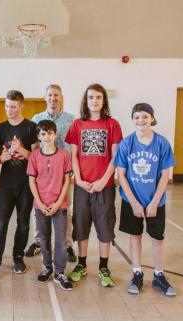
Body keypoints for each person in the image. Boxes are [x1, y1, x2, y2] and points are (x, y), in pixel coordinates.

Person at [114, 103, 176, 296]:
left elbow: (165, 175)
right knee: (135, 236)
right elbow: (121, 175)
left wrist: (155, 201)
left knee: (157, 238)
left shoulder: (162, 143)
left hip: (155, 201)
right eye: (137, 117)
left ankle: (159, 274)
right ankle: (137, 273)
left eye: (145, 116)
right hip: (131, 200)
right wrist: (134, 202)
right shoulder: (126, 143)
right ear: (132, 119)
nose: (141, 120)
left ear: (152, 119)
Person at [65, 83, 123, 287]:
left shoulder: (112, 124)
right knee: (81, 225)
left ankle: (104, 267)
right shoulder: (77, 125)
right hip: (82, 186)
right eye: (91, 97)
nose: (94, 101)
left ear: (104, 100)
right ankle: (81, 264)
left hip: (104, 187)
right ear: (86, 100)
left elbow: (115, 156)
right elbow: (73, 155)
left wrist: (103, 180)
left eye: (98, 97)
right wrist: (78, 179)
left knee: (104, 226)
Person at [0, 90, 39, 283]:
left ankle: (18, 258)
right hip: (6, 183)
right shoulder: (0, 128)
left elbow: (36, 158)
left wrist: (20, 149)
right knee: (0, 224)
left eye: (13, 107)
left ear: (21, 107)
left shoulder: (31, 127)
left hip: (26, 183)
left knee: (23, 224)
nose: (9, 110)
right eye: (7, 106)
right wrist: (3, 157)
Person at [27, 84, 77, 262]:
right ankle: (38, 241)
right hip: (42, 172)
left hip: (63, 172)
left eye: (56, 95)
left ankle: (68, 244)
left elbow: (74, 147)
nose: (53, 98)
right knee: (38, 209)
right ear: (45, 97)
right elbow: (33, 146)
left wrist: (74, 172)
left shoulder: (72, 120)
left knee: (66, 208)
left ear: (61, 97)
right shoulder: (36, 118)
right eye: (49, 95)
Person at [27, 120, 73, 290]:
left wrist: (59, 202)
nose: (47, 137)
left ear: (56, 134)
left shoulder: (64, 155)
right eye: (43, 134)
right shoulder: (34, 156)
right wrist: (39, 202)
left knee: (60, 239)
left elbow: (67, 180)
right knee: (44, 238)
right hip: (40, 205)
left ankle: (60, 272)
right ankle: (47, 267)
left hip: (59, 205)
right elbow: (32, 181)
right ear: (39, 137)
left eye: (50, 133)